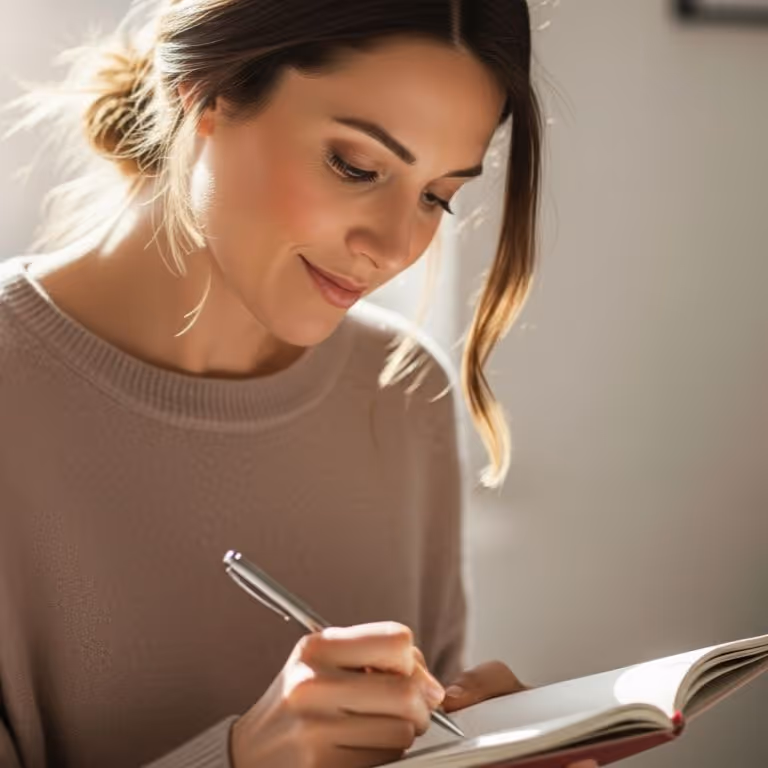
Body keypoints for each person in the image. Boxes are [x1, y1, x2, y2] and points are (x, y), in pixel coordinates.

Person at [0, 0, 600, 767]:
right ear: (208, 92)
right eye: (355, 166)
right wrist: (242, 759)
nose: (393, 247)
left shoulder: (402, 391)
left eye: (436, 195)